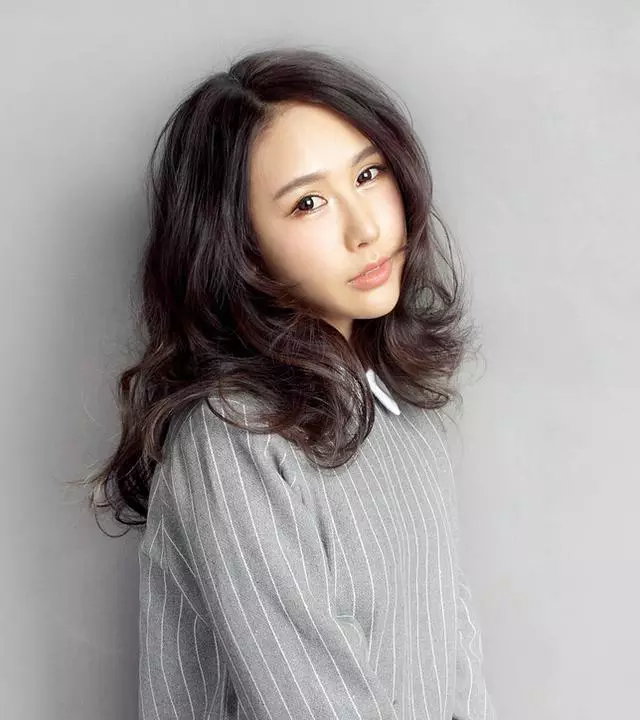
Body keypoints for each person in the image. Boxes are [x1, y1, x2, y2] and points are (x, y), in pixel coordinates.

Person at [80, 46, 497, 719]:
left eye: (368, 173)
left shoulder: (402, 413)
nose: (366, 228)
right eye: (309, 203)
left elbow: (453, 654)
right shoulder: (234, 436)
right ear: (240, 242)